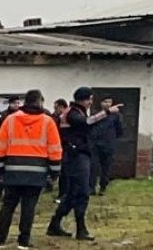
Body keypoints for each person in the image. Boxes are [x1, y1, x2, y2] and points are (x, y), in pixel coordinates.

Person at [0, 90, 63, 250]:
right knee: (29, 207)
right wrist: (54, 173)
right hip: (36, 172)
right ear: (39, 102)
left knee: (8, 206)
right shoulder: (48, 122)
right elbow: (55, 149)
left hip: (13, 170)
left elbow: (0, 146)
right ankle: (23, 241)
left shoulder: (10, 120)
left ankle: (0, 240)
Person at [48, 87, 119, 241]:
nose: (91, 102)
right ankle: (81, 229)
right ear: (84, 99)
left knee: (73, 194)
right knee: (82, 192)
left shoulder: (74, 112)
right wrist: (106, 112)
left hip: (77, 154)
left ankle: (55, 224)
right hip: (76, 155)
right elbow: (86, 123)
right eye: (90, 99)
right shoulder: (73, 113)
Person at [88, 96, 124, 196]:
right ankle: (91, 188)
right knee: (93, 167)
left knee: (106, 167)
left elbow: (120, 130)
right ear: (100, 103)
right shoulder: (96, 114)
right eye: (105, 102)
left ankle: (103, 187)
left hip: (108, 145)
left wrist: (111, 138)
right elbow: (89, 124)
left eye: (110, 102)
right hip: (95, 145)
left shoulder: (116, 116)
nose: (108, 104)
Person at [51, 99, 70, 203]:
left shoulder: (67, 118)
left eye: (56, 108)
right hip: (58, 146)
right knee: (62, 171)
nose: (55, 110)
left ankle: (64, 194)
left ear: (62, 107)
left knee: (65, 172)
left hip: (66, 147)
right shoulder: (55, 118)